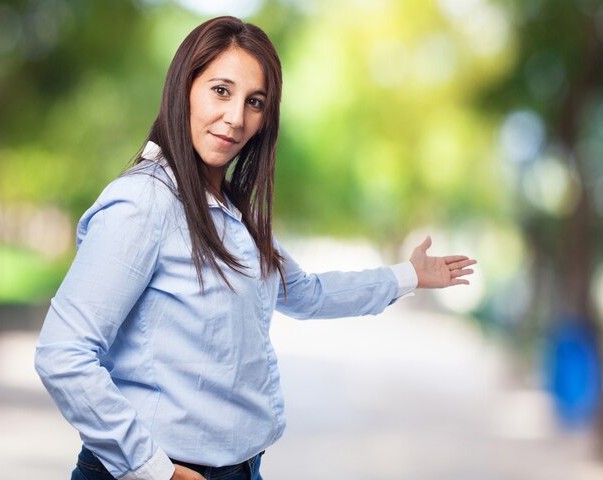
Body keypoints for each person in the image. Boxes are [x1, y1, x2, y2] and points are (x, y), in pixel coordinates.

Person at [34, 16, 476, 480]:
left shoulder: (229, 214)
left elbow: (307, 293)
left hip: (240, 469)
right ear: (184, 87)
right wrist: (153, 469)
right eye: (221, 91)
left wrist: (409, 276)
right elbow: (63, 353)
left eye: (255, 102)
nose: (236, 118)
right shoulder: (145, 203)